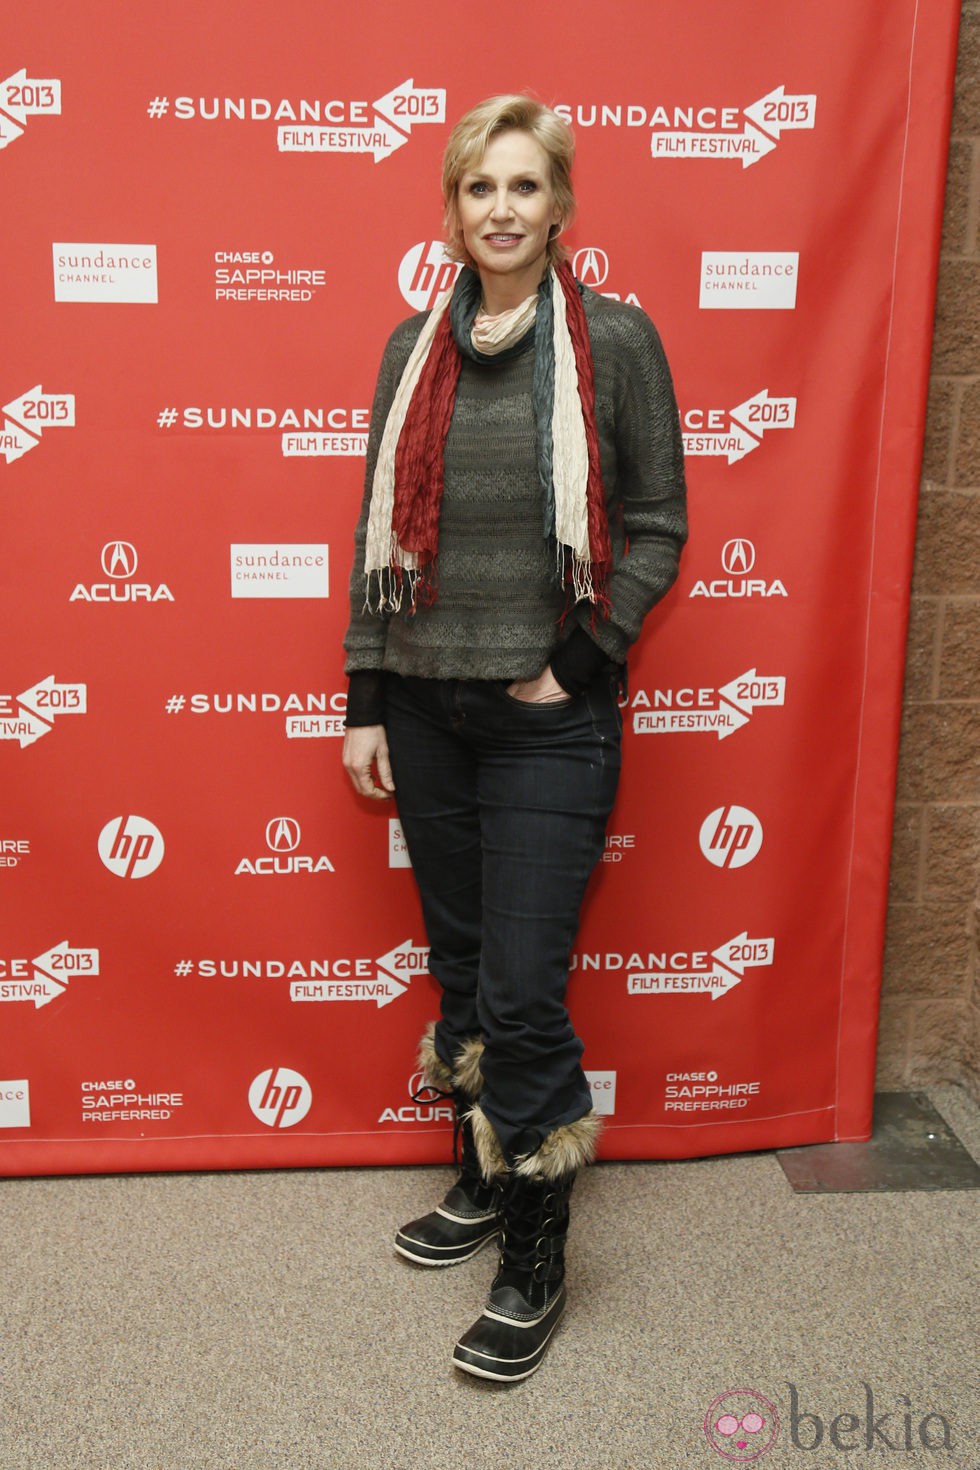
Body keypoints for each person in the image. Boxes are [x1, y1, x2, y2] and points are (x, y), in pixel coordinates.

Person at [342, 93, 687, 1381]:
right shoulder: (409, 349)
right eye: (479, 188)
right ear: (453, 207)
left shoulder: (615, 341)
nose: (501, 209)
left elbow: (658, 521)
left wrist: (581, 658)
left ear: (561, 206)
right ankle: (484, 1178)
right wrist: (366, 699)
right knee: (463, 963)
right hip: (426, 706)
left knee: (524, 994)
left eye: (525, 188)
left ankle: (535, 1254)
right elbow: (373, 537)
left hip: (549, 723)